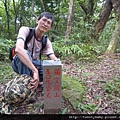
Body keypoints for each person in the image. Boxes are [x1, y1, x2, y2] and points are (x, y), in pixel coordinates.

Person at [12, 12, 59, 94]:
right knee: (24, 52)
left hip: (34, 63)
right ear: (37, 20)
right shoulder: (25, 30)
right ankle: (27, 89)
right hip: (18, 62)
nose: (45, 24)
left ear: (50, 27)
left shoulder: (46, 41)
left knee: (49, 70)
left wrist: (57, 62)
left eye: (48, 23)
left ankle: (36, 82)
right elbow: (18, 49)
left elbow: (53, 57)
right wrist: (35, 71)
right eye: (44, 20)